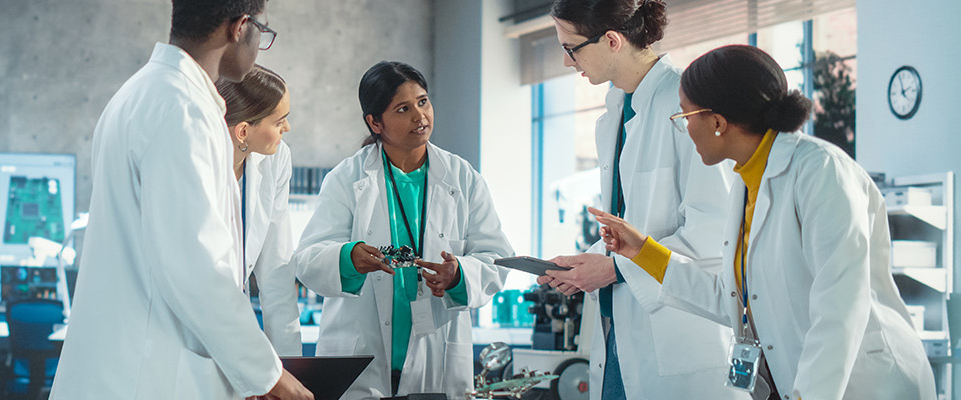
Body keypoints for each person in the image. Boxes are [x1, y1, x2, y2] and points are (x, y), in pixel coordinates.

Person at [591, 44, 937, 400]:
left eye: (683, 117)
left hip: (869, 385)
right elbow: (734, 301)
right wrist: (643, 252)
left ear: (717, 121)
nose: (684, 130)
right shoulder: (746, 183)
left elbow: (839, 311)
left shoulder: (821, 172)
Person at [49, 0, 312, 399]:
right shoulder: (184, 110)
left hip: (124, 366)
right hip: (149, 374)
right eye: (265, 31)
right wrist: (269, 376)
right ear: (240, 27)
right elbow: (198, 266)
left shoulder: (140, 93)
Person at [537, 1, 741, 399]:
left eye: (570, 48)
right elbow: (630, 226)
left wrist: (613, 269)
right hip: (619, 338)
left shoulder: (689, 105)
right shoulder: (615, 112)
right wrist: (586, 262)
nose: (566, 62)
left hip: (677, 340)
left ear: (611, 40)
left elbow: (715, 231)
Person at [291, 61, 513, 400]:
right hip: (361, 357)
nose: (419, 116)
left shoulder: (462, 178)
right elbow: (307, 259)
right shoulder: (347, 179)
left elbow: (496, 256)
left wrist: (459, 275)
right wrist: (347, 257)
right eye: (403, 109)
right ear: (375, 122)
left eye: (423, 102)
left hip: (436, 356)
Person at [217, 64, 302, 356]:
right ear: (243, 131)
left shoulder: (277, 159)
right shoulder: (196, 167)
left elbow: (277, 273)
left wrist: (289, 367)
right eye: (279, 122)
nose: (286, 129)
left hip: (233, 326)